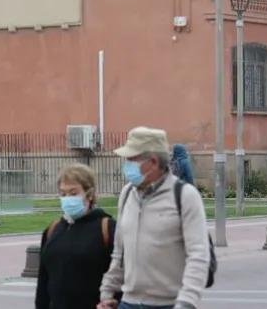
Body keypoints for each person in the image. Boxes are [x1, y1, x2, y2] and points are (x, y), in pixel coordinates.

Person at [98, 126, 211, 309]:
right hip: (129, 302)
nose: (126, 164)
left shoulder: (184, 196)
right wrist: (107, 292)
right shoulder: (127, 194)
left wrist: (186, 302)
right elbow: (119, 251)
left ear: (152, 162)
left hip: (169, 304)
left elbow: (198, 255)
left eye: (131, 159)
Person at [34, 163, 117, 309]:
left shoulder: (107, 228)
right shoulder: (53, 230)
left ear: (89, 194)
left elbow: (120, 273)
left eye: (73, 193)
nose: (67, 199)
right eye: (63, 194)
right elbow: (43, 280)